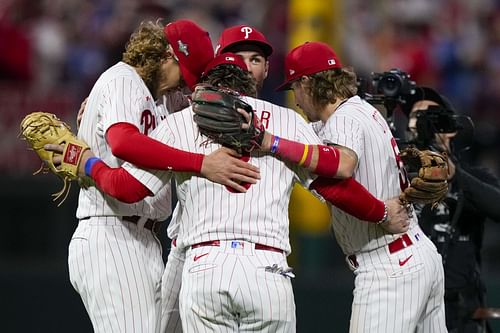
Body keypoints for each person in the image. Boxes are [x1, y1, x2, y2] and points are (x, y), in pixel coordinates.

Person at [50, 52, 410, 332]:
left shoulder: (179, 122)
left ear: (204, 85)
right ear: (249, 86)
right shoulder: (284, 119)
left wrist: (86, 162)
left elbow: (126, 188)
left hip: (205, 269)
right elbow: (335, 186)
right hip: (267, 271)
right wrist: (380, 211)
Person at [70, 19, 260, 333]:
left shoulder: (162, 98)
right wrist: (201, 164)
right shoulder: (123, 79)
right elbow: (123, 141)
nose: (185, 85)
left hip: (144, 238)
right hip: (111, 233)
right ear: (165, 56)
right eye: (183, 74)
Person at [277, 41, 447, 332]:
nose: (295, 100)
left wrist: (274, 143)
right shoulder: (361, 110)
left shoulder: (342, 120)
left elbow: (343, 163)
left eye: (294, 88)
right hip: (416, 253)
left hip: (388, 265)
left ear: (307, 83)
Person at [403, 87, 500, 333]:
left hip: (463, 310)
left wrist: (455, 176)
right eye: (414, 116)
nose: (419, 123)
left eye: (429, 117)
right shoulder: (397, 177)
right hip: (409, 304)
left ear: (450, 127)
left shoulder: (473, 177)